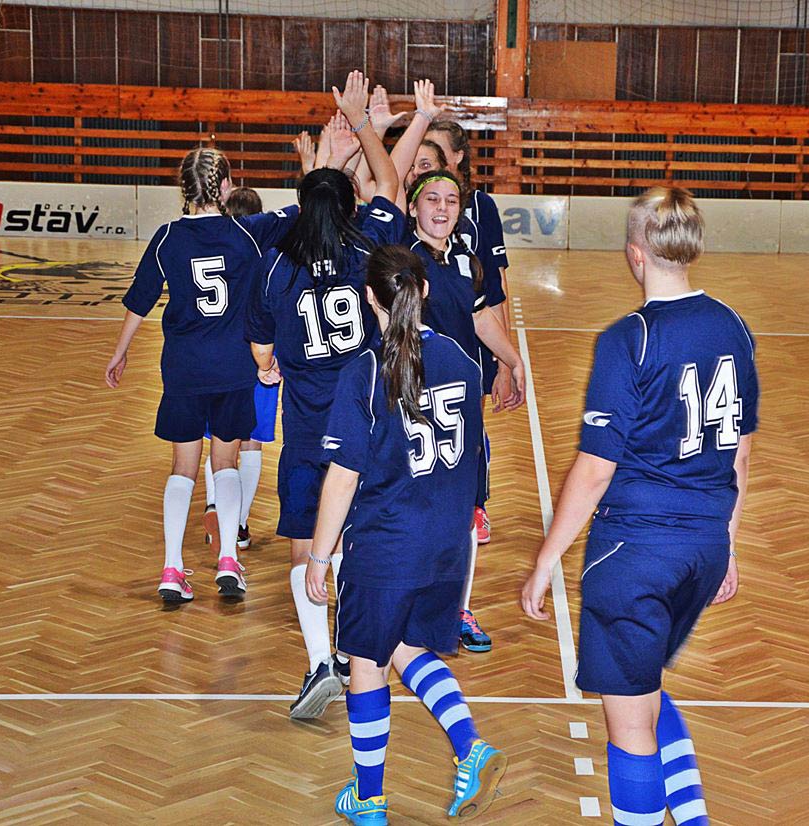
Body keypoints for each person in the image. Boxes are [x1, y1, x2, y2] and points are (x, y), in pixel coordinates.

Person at [521, 187, 758, 826]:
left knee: (629, 724)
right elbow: (739, 456)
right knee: (644, 688)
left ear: (635, 255)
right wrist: (727, 545)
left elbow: (596, 469)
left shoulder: (630, 339)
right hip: (703, 547)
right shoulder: (733, 325)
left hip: (634, 553)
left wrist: (545, 559)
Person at [306, 244, 507, 825]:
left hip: (387, 543)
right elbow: (473, 458)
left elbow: (343, 477)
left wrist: (319, 556)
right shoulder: (463, 361)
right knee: (407, 647)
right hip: (447, 544)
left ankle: (369, 798)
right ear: (425, 291)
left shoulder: (366, 372)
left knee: (366, 661)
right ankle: (470, 747)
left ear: (368, 297)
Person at [245, 71, 405, 719]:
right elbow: (390, 185)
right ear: (349, 206)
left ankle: (319, 660)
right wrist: (364, 127)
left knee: (305, 536)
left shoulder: (275, 265)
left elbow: (262, 354)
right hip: (366, 419)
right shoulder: (368, 247)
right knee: (356, 538)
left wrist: (273, 367)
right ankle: (352, 649)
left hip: (309, 427)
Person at [104, 148, 298, 603]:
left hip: (183, 370)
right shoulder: (248, 232)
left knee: (182, 469)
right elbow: (304, 208)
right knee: (225, 463)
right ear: (226, 186)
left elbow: (139, 299)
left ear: (183, 189)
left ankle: (172, 568)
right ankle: (228, 559)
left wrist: (120, 352)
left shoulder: (167, 237)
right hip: (233, 368)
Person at [407, 168, 521, 653]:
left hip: (459, 403)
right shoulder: (401, 260)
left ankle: (458, 607)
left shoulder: (464, 260)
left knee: (463, 507)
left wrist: (512, 361)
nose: (441, 208)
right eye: (432, 199)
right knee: (414, 503)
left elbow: (479, 317)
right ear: (413, 206)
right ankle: (406, 599)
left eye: (451, 201)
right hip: (413, 401)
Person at [427, 119, 512, 545]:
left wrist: (507, 363)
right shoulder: (409, 214)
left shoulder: (480, 211)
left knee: (468, 426)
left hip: (469, 347)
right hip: (421, 352)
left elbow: (494, 291)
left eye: (436, 152)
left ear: (458, 157)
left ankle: (475, 503)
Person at [201, 186, 278, 554]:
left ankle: (214, 504)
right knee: (251, 444)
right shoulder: (270, 257)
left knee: (219, 442)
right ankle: (239, 524)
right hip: (261, 356)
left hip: (218, 359)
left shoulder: (213, 253)